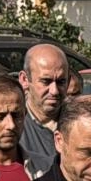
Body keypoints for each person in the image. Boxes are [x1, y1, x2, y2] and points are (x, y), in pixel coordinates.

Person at [18, 44, 68, 173]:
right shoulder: (10, 125)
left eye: (61, 82)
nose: (54, 91)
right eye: (46, 81)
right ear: (24, 80)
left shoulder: (79, 121)